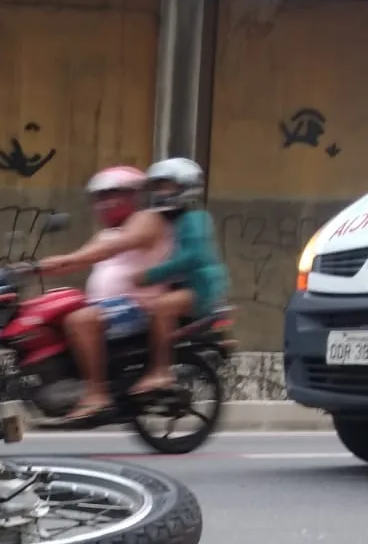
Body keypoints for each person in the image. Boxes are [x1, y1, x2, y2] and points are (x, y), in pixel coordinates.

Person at [32, 165, 174, 424]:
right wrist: (32, 268)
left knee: (81, 319)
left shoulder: (146, 220)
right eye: (100, 197)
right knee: (50, 310)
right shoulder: (106, 233)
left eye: (113, 195)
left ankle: (97, 394)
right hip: (110, 308)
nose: (105, 203)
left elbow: (111, 249)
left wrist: (64, 259)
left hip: (139, 306)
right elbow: (77, 263)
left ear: (133, 195)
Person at [132, 157, 231, 395]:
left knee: (162, 308)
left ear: (186, 186)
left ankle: (161, 372)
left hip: (200, 288)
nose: (161, 192)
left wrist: (151, 275)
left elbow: (191, 257)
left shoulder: (195, 218)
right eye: (158, 186)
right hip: (187, 285)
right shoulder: (173, 219)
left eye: (167, 185)